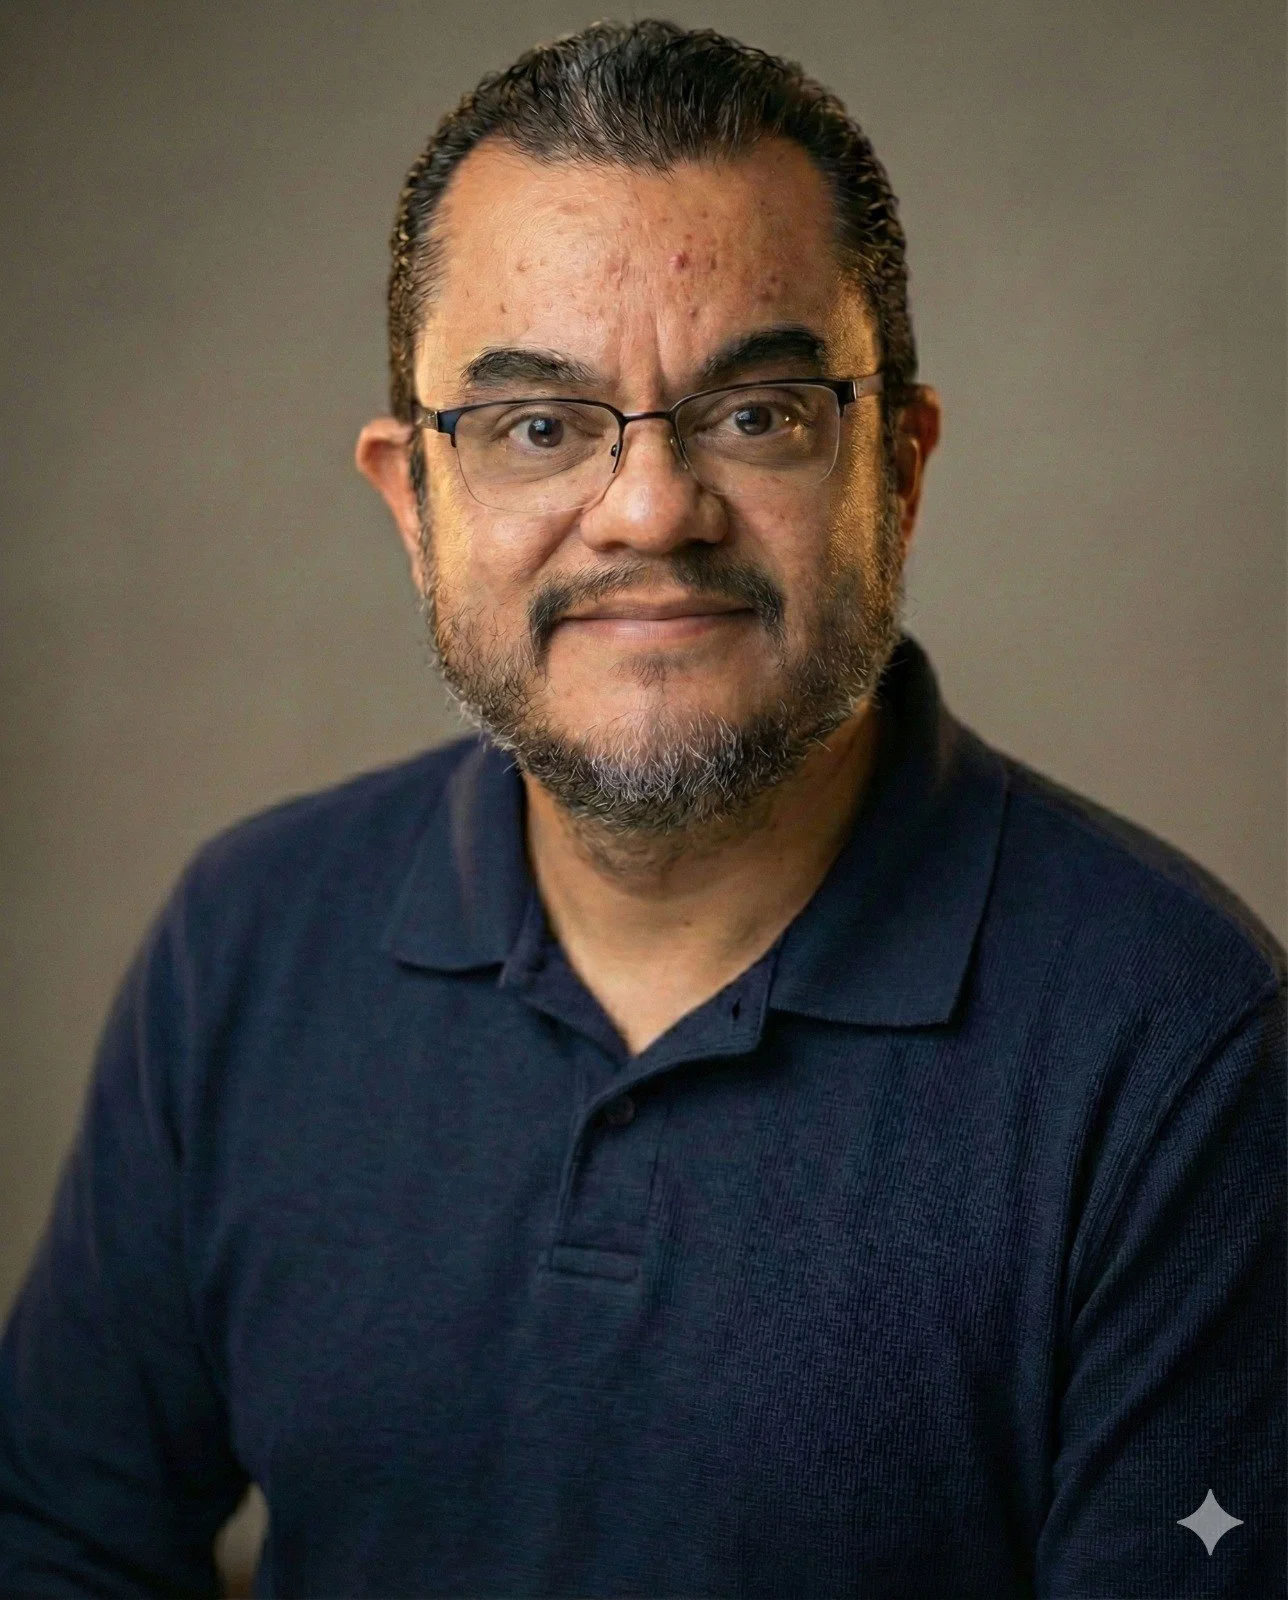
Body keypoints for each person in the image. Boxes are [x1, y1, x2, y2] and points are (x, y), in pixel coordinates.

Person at [1, 18, 1282, 1599]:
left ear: (902, 469)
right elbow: (59, 1544)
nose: (653, 509)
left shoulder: (1181, 1045)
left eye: (757, 415)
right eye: (538, 427)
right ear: (414, 503)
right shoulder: (248, 942)